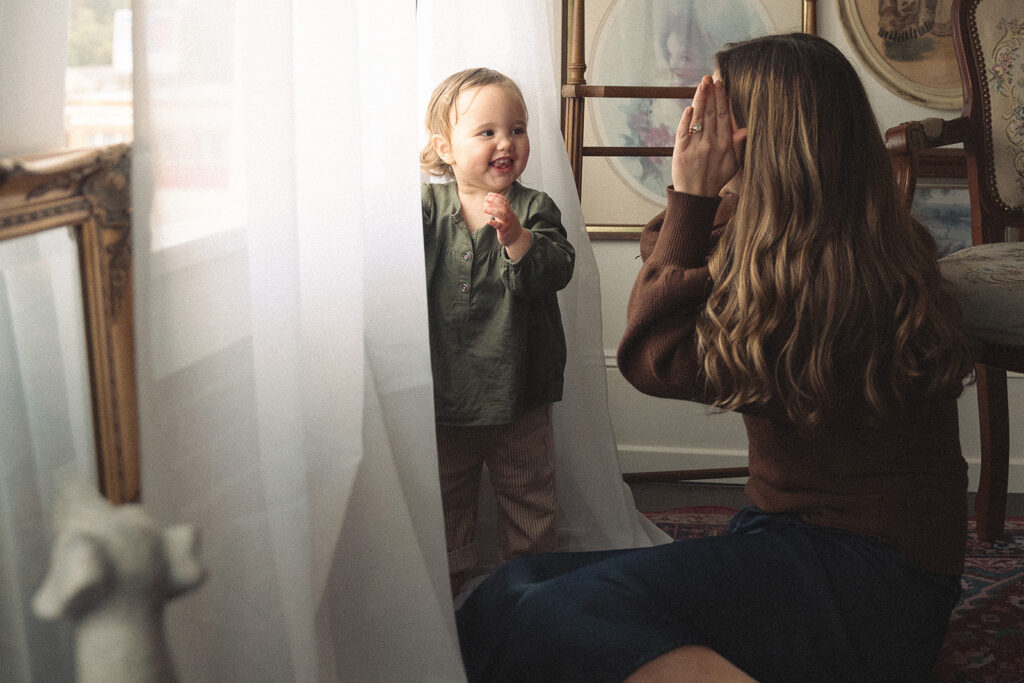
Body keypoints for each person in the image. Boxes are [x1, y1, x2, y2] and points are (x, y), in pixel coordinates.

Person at [455, 34, 974, 681]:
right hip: (793, 543)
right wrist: (699, 203)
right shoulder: (802, 237)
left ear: (758, 136)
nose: (695, 125)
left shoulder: (830, 276)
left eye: (713, 109)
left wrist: (693, 197)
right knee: (509, 587)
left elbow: (654, 357)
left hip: (872, 582)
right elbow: (668, 255)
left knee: (555, 613)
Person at [419, 68, 576, 595]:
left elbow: (557, 268)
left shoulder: (534, 207)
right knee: (444, 503)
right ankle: (450, 596)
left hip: (520, 391)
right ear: (446, 147)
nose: (505, 143)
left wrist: (515, 236)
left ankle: (528, 593)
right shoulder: (426, 209)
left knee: (529, 499)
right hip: (445, 396)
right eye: (486, 132)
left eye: (517, 128)